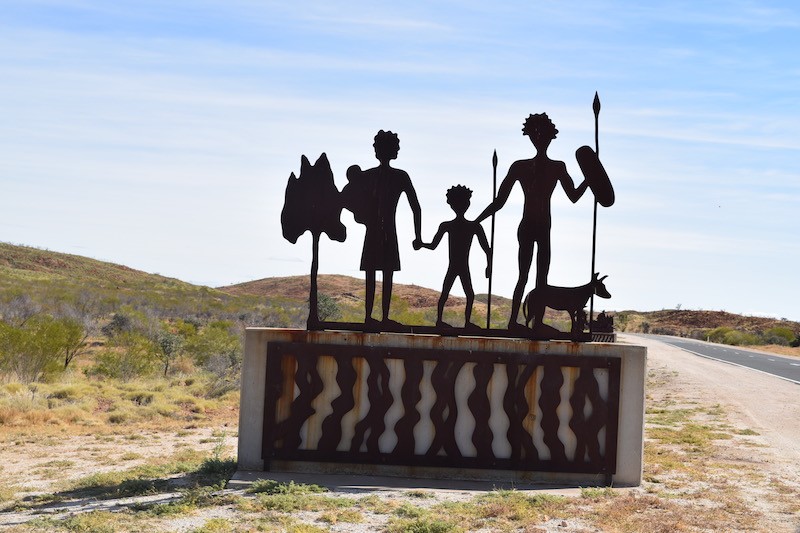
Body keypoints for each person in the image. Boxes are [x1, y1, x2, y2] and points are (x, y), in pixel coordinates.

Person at [476, 113, 588, 331]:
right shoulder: (521, 166)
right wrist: (478, 220)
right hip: (529, 226)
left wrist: (590, 179)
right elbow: (499, 201)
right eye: (536, 135)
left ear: (550, 137)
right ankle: (513, 321)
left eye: (543, 135)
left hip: (543, 228)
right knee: (525, 276)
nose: (539, 139)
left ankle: (537, 322)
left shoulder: (557, 167)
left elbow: (573, 196)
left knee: (540, 279)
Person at [342, 130, 422, 327]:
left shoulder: (374, 176)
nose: (397, 151)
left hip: (378, 230)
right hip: (383, 230)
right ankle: (376, 317)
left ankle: (374, 317)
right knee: (382, 273)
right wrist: (418, 236)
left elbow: (345, 197)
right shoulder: (398, 176)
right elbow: (416, 207)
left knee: (378, 273)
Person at [420, 185, 490, 329]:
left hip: (457, 266)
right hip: (459, 266)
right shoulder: (471, 226)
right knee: (465, 294)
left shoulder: (453, 226)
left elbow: (432, 245)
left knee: (458, 294)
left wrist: (421, 244)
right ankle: (453, 322)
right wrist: (489, 264)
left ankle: (450, 321)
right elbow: (488, 250)